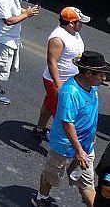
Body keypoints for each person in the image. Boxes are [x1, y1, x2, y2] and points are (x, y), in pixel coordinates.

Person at [32, 51, 107, 207]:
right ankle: (41, 198)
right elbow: (67, 123)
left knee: (86, 183)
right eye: (101, 74)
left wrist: (91, 134)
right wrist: (78, 150)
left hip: (85, 146)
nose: (104, 78)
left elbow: (90, 112)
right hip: (64, 146)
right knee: (51, 175)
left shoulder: (93, 88)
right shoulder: (70, 92)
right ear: (88, 74)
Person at [35, 7, 89, 141]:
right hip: (57, 82)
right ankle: (60, 142)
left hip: (69, 81)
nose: (82, 24)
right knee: (62, 115)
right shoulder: (58, 39)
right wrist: (59, 87)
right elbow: (51, 62)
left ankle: (39, 129)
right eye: (80, 22)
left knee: (49, 103)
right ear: (71, 23)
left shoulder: (74, 33)